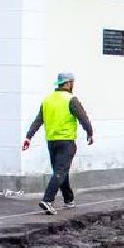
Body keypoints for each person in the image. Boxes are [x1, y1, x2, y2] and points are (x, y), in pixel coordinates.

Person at [23, 72, 94, 215]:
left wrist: (28, 137)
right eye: (72, 82)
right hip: (66, 141)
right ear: (68, 84)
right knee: (60, 171)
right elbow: (83, 117)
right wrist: (90, 133)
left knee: (60, 170)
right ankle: (47, 200)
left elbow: (38, 120)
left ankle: (69, 199)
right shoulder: (71, 99)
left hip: (52, 142)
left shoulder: (48, 100)